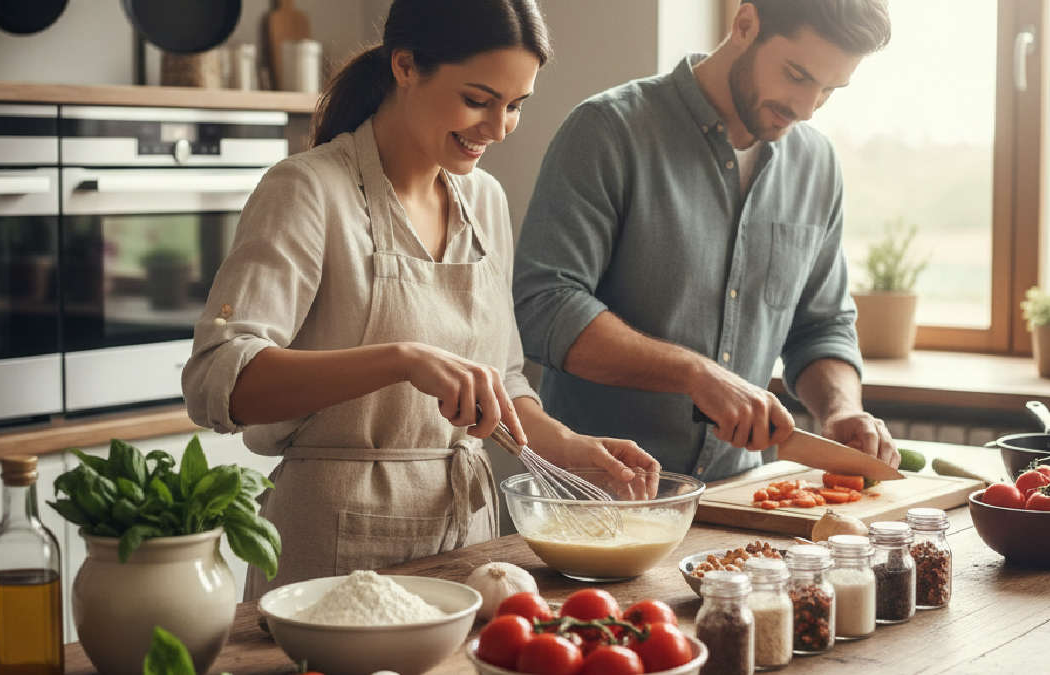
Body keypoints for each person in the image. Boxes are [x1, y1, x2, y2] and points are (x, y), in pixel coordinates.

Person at [182, 0, 659, 598]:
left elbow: (502, 378)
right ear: (405, 66)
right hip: (333, 548)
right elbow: (218, 381)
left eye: (515, 105)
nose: (498, 128)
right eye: (478, 99)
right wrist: (401, 359)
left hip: (469, 542)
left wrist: (566, 446)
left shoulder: (484, 199)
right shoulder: (308, 190)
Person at [513, 0, 898, 482]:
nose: (806, 108)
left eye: (828, 91)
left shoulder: (816, 165)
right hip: (597, 495)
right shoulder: (607, 131)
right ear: (745, 24)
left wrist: (841, 409)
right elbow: (544, 306)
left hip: (739, 497)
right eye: (797, 75)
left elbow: (820, 326)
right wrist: (695, 375)